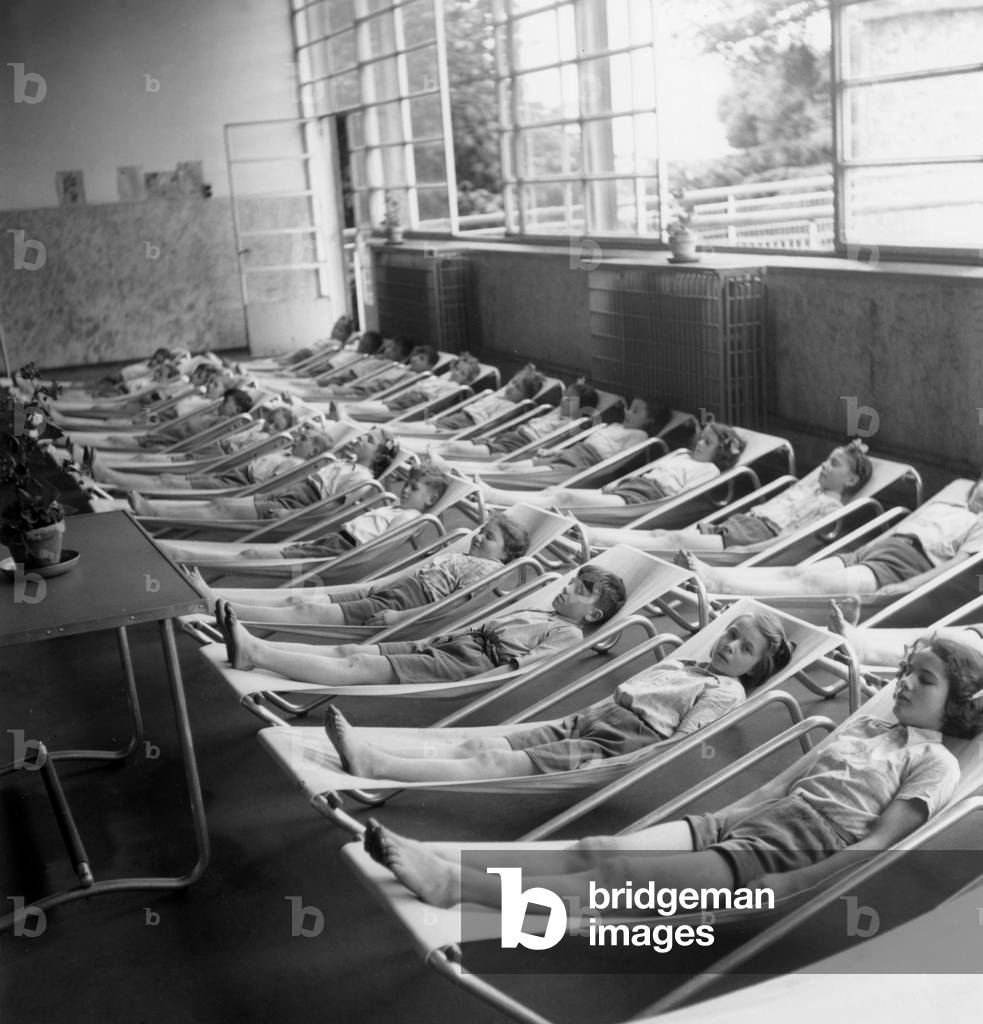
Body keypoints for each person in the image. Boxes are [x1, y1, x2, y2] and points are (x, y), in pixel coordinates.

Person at [364, 632, 983, 909]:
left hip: (792, 848)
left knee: (621, 876)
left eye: (922, 680)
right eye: (905, 672)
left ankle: (456, 888)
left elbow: (875, 844)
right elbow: (782, 782)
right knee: (597, 845)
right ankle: (454, 864)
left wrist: (795, 887)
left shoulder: (934, 765)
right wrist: (715, 821)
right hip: (745, 819)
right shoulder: (872, 726)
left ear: (956, 705)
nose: (902, 684)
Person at [322, 608, 790, 781]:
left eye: (744, 649)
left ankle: (378, 767)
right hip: (596, 718)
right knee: (477, 744)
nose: (729, 646)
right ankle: (375, 749)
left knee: (493, 763)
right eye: (731, 634)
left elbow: (682, 739)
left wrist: (617, 765)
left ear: (755, 669)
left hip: (620, 741)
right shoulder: (692, 662)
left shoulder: (726, 690)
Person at [214, 563, 627, 687]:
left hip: (471, 663)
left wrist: (466, 684)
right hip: (457, 642)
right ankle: (255, 648)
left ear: (592, 615)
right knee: (350, 652)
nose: (569, 587)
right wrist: (433, 639)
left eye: (582, 589)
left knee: (360, 667)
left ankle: (259, 654)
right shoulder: (548, 613)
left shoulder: (569, 632)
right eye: (574, 580)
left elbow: (525, 666)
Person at [190, 510, 529, 627]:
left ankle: (219, 606)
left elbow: (450, 604)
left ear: (507, 554)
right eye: (481, 530)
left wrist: (400, 619)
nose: (479, 536)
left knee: (307, 610)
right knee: (302, 601)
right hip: (393, 590)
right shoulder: (472, 558)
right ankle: (220, 598)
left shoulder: (487, 570)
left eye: (490, 537)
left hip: (405, 604)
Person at [682, 474, 983, 599]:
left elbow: (956, 565)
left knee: (813, 584)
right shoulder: (948, 503)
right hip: (875, 550)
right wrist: (864, 549)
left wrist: (907, 586)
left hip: (901, 566)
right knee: (797, 571)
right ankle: (720, 576)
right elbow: (900, 529)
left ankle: (721, 585)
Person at [588, 440, 873, 552]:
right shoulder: (809, 487)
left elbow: (793, 538)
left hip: (755, 536)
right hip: (744, 522)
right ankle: (597, 537)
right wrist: (848, 452)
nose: (823, 465)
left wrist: (751, 552)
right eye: (826, 459)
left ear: (851, 479)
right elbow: (816, 478)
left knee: (669, 539)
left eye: (834, 464)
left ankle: (597, 539)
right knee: (664, 537)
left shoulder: (830, 506)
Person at [159, 468, 451, 566]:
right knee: (256, 551)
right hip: (337, 540)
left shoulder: (412, 516)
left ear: (431, 500)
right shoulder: (399, 508)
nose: (404, 490)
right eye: (406, 485)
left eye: (413, 489)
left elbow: (386, 541)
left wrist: (346, 558)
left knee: (252, 553)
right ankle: (181, 553)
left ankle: (183, 555)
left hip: (342, 548)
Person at [459, 421, 741, 512]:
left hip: (646, 498)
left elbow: (681, 498)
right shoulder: (681, 455)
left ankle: (498, 499)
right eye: (701, 438)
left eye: (708, 443)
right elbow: (645, 472)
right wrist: (616, 484)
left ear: (719, 452)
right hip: (632, 487)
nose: (699, 444)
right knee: (557, 492)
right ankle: (495, 494)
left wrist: (651, 508)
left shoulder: (710, 471)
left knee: (563, 496)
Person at [128, 428, 399, 521]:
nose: (361, 439)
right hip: (288, 491)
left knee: (222, 507)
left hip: (298, 503)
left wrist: (291, 515)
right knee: (219, 504)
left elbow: (331, 507)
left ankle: (153, 511)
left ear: (378, 457)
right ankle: (153, 508)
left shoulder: (365, 480)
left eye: (369, 440)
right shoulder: (346, 461)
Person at [434, 377, 599, 459]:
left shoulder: (571, 423)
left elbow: (576, 429)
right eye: (565, 396)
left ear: (580, 409)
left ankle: (438, 455)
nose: (564, 400)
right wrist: (579, 385)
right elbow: (568, 399)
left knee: (458, 450)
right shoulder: (557, 411)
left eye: (571, 400)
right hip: (512, 435)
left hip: (522, 443)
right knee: (454, 444)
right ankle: (437, 452)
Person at [338, 353, 482, 420]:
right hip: (408, 396)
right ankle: (345, 411)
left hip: (416, 402)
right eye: (457, 369)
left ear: (468, 379)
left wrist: (421, 418)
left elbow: (433, 406)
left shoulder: (455, 388)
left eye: (462, 373)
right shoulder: (440, 379)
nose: (457, 373)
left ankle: (345, 413)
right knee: (375, 405)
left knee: (374, 409)